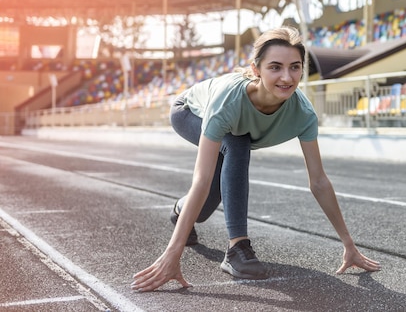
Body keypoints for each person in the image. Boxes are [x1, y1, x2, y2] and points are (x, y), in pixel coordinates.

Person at [131, 26, 380, 291]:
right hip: (189, 111)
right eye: (275, 67)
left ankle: (180, 210)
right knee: (237, 144)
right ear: (256, 69)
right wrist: (173, 253)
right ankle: (237, 249)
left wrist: (349, 245)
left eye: (295, 67)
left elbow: (318, 181)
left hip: (232, 128)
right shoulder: (229, 101)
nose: (287, 77)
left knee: (206, 206)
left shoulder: (303, 114)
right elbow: (201, 178)